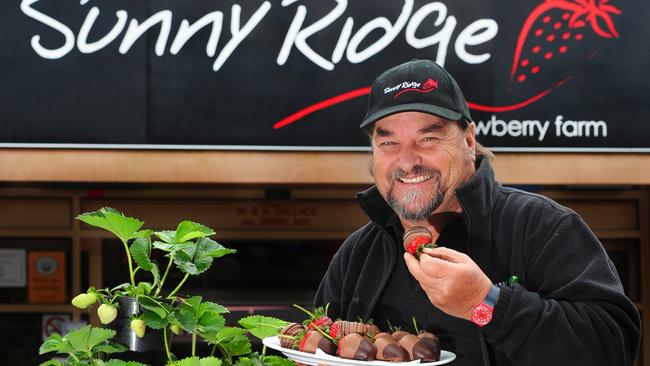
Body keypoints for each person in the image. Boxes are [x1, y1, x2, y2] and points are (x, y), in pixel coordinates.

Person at [313, 59, 641, 365]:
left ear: (469, 140)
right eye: (388, 143)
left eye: (427, 138)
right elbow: (321, 344)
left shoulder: (541, 226)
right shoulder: (358, 254)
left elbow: (613, 346)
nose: (407, 160)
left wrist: (484, 303)